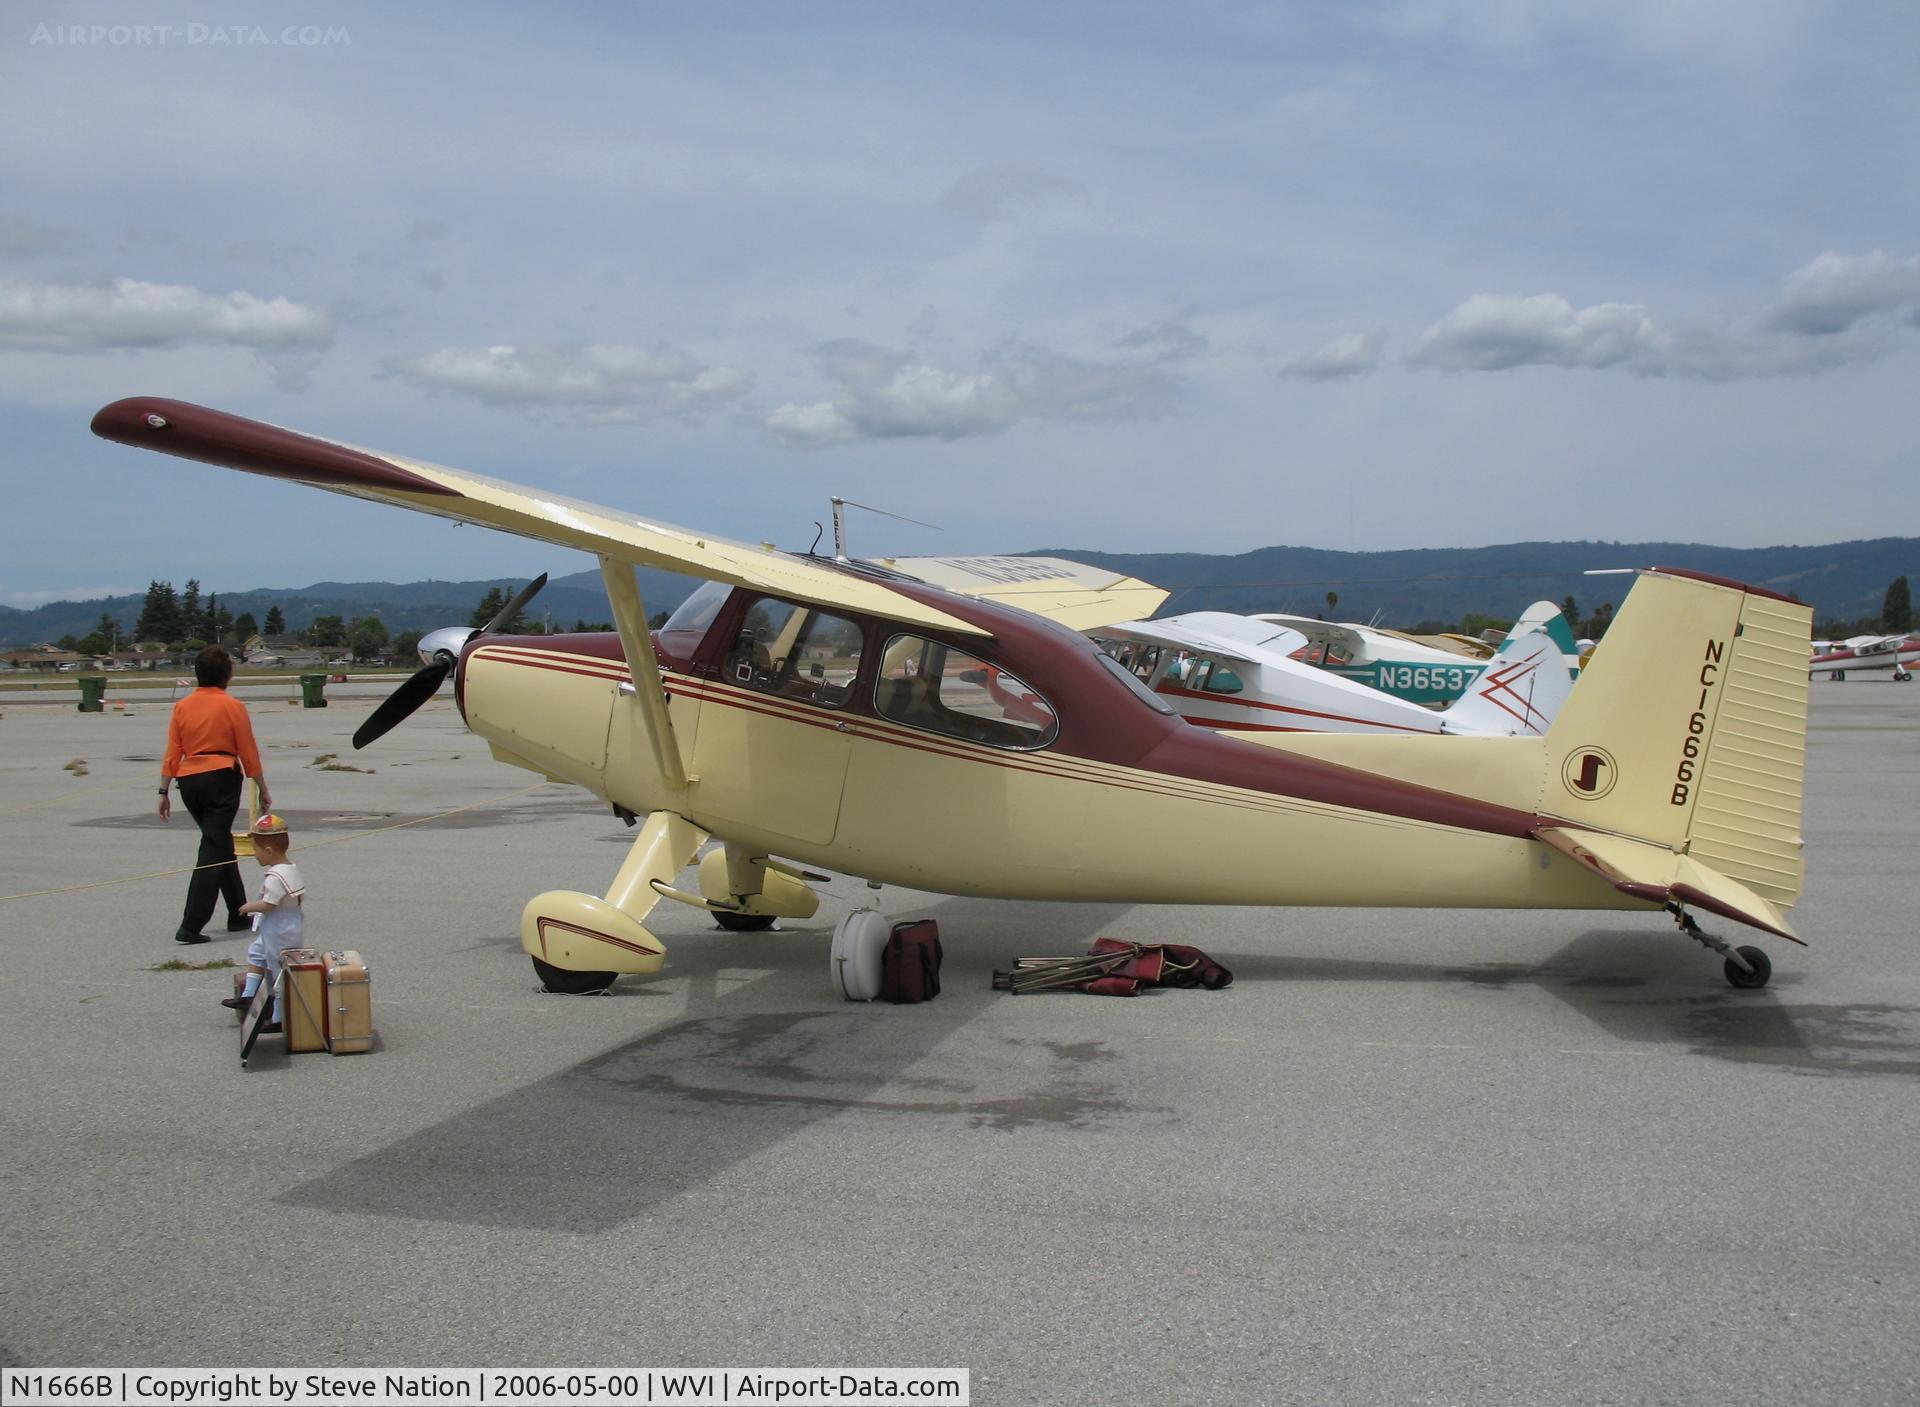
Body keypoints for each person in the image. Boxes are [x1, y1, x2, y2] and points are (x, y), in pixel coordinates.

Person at [157, 645, 271, 944]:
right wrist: (261, 788)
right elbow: (248, 752)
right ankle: (191, 925)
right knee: (212, 848)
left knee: (218, 843)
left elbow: (173, 751)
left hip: (189, 780)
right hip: (221, 776)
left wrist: (164, 789)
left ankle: (238, 913)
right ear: (228, 675)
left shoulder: (182, 707)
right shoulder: (233, 706)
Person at [219, 814, 304, 1031]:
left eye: (255, 850)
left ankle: (278, 1017)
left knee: (278, 971)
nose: (254, 855)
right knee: (256, 952)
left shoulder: (276, 876)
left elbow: (269, 904)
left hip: (281, 928)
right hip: (278, 925)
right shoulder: (288, 868)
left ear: (268, 850)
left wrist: (248, 906)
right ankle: (249, 995)